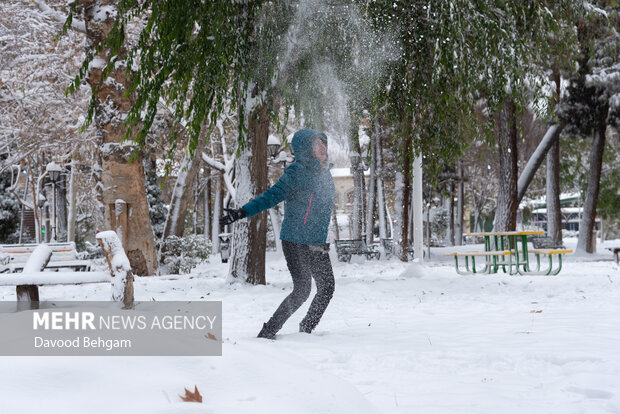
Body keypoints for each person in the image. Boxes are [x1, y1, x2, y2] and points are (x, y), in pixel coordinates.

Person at [221, 129, 335, 339]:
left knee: (327, 287)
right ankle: (268, 332)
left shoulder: (325, 173)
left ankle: (306, 330)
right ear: (305, 149)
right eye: (316, 144)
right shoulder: (296, 172)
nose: (322, 148)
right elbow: (270, 197)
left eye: (323, 143)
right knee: (302, 290)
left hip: (317, 242)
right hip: (296, 240)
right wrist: (242, 212)